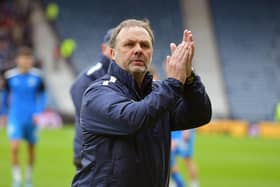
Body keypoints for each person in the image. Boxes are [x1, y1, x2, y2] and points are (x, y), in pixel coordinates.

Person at [72, 19, 211, 187]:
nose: (138, 50)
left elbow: (199, 115)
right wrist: (173, 83)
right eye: (129, 44)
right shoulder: (98, 92)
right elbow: (131, 119)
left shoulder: (159, 92)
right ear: (113, 54)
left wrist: (190, 79)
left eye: (145, 45)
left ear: (151, 53)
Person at [0, 47, 47, 187]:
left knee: (31, 148)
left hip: (31, 118)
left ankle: (28, 178)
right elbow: (4, 96)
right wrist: (3, 114)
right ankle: (16, 179)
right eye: (23, 58)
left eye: (28, 58)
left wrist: (38, 111)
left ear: (31, 60)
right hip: (15, 117)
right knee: (14, 147)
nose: (26, 61)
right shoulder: (10, 76)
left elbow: (43, 95)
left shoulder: (38, 76)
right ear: (18, 60)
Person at [70, 29, 113, 170]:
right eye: (112, 46)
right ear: (104, 48)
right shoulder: (92, 75)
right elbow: (77, 95)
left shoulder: (123, 74)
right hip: (90, 150)